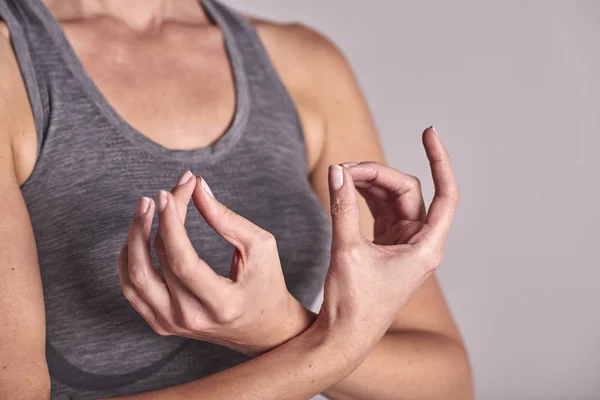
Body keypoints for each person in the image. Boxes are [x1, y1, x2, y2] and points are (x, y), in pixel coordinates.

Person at [0, 0, 473, 398]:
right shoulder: (12, 66)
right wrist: (332, 347)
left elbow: (446, 383)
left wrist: (276, 329)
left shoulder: (302, 62)